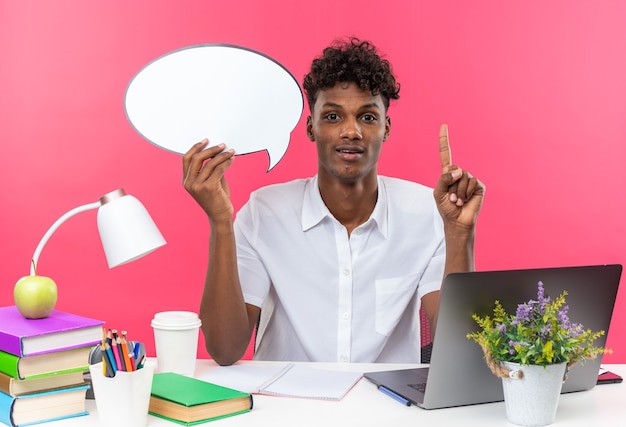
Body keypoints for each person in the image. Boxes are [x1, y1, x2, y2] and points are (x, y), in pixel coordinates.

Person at [182, 37, 485, 366]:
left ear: (386, 128)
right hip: (286, 405)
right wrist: (220, 222)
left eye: (368, 117)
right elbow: (225, 350)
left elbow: (458, 352)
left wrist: (458, 234)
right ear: (311, 128)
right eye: (333, 117)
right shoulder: (264, 212)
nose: (351, 131)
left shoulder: (427, 212)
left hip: (384, 409)